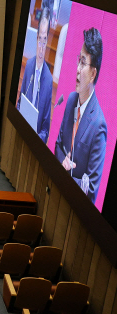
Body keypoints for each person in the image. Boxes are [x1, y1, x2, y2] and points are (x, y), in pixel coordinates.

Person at [54, 27, 107, 203]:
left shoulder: (98, 124)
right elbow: (59, 145)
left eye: (83, 63)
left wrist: (67, 175)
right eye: (79, 60)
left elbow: (91, 189)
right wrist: (63, 164)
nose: (77, 69)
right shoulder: (70, 100)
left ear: (93, 74)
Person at [16, 7, 54, 143]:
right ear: (36, 36)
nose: (41, 46)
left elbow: (45, 130)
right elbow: (19, 103)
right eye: (39, 39)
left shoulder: (48, 80)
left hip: (34, 140)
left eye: (45, 40)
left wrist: (35, 139)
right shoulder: (29, 66)